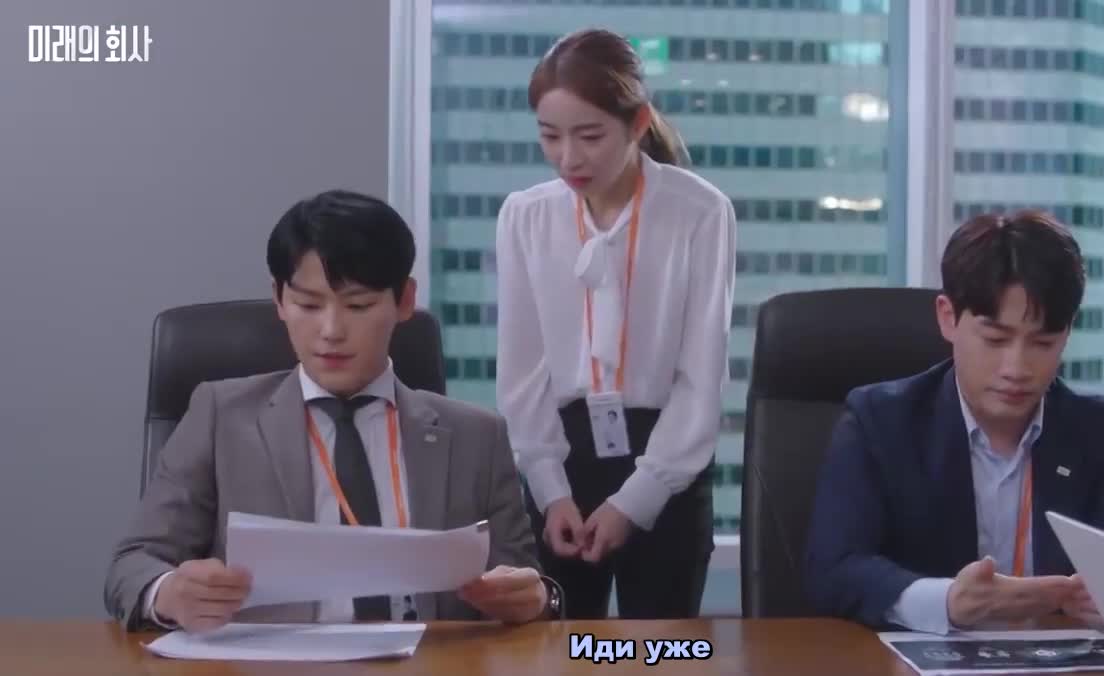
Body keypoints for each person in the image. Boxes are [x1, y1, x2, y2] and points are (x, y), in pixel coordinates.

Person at [105, 189, 560, 632]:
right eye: (308, 304)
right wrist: (168, 593)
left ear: (404, 300)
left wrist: (537, 598)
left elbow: (525, 585)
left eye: (358, 305)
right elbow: (132, 567)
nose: (331, 330)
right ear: (279, 299)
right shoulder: (221, 418)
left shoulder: (477, 437)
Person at [804, 211, 1104, 633]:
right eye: (995, 340)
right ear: (948, 317)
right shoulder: (880, 422)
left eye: (1043, 343)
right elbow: (833, 571)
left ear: (1067, 333)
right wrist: (945, 601)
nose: (1016, 368)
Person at [495, 28, 735, 619]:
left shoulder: (700, 212)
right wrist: (550, 491)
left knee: (660, 653)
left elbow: (701, 378)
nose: (569, 158)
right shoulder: (525, 216)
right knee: (558, 651)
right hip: (561, 460)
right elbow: (523, 375)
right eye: (550, 136)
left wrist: (636, 500)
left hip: (667, 462)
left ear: (637, 123)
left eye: (590, 136)